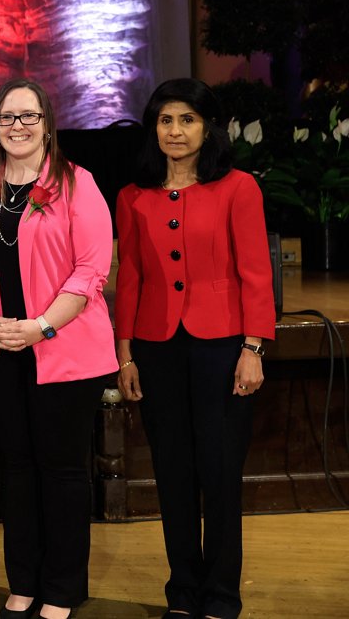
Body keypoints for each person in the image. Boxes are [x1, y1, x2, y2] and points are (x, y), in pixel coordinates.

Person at [0, 79, 117, 619]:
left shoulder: (78, 184)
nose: (17, 127)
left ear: (47, 122)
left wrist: (40, 327)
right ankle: (22, 584)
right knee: (18, 471)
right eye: (6, 118)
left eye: (28, 116)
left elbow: (91, 272)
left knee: (63, 472)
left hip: (64, 353)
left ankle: (63, 591)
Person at [115, 78, 273, 619]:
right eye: (165, 120)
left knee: (221, 471)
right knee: (173, 472)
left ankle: (222, 596)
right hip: (157, 347)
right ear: (152, 128)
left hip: (223, 346)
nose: (176, 130)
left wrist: (253, 346)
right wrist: (125, 353)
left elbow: (256, 271)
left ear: (208, 128)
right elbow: (129, 277)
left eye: (187, 119)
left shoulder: (238, 187)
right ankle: (182, 591)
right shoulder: (133, 196)